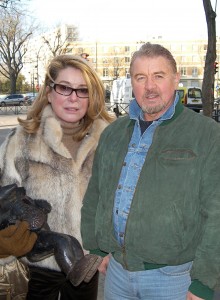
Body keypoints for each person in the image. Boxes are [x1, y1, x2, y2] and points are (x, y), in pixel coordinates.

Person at [81, 42, 220, 300]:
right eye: (140, 77)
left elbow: (217, 211)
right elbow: (95, 196)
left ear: (176, 78)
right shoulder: (113, 134)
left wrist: (203, 281)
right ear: (131, 81)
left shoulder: (207, 134)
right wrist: (96, 248)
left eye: (159, 75)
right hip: (118, 275)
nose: (150, 86)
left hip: (175, 280)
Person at [0, 54, 115, 299]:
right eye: (64, 88)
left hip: (86, 264)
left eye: (82, 90)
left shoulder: (109, 141)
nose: (73, 98)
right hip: (34, 267)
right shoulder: (20, 142)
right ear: (49, 92)